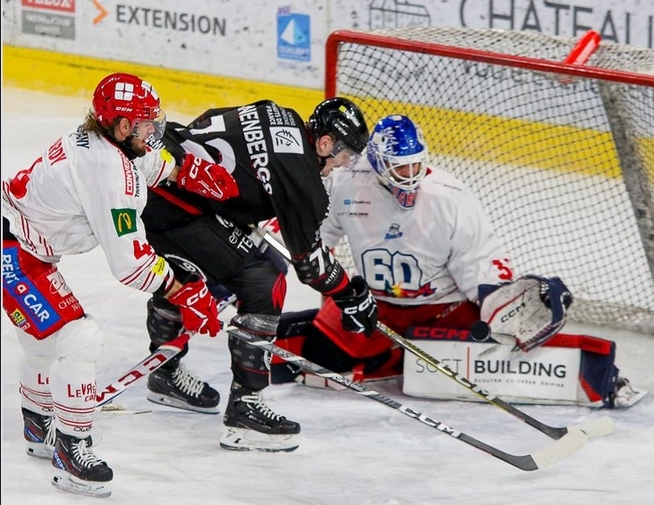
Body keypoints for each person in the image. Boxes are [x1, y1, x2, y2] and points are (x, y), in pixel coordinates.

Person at [1, 73, 224, 497]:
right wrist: (182, 289)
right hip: (11, 251)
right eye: (145, 123)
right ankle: (71, 448)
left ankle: (37, 424)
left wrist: (182, 170)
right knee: (79, 339)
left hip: (18, 239)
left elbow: (146, 161)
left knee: (43, 342)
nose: (153, 131)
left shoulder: (104, 141)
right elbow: (131, 265)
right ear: (122, 126)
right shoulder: (107, 170)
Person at [138, 97, 379, 452]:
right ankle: (245, 409)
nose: (342, 165)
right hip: (178, 207)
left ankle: (165, 371)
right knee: (264, 280)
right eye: (345, 155)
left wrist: (232, 206)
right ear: (325, 143)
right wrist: (348, 294)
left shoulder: (278, 112)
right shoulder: (303, 176)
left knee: (225, 265)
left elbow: (211, 122)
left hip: (160, 176)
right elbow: (310, 266)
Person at [271, 114, 515, 383]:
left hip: (441, 308)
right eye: (400, 168)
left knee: (492, 352)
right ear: (377, 162)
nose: (410, 176)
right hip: (374, 305)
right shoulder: (346, 183)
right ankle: (397, 357)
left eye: (415, 165)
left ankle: (397, 358)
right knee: (320, 356)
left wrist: (501, 303)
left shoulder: (450, 198)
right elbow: (316, 234)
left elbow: (477, 260)